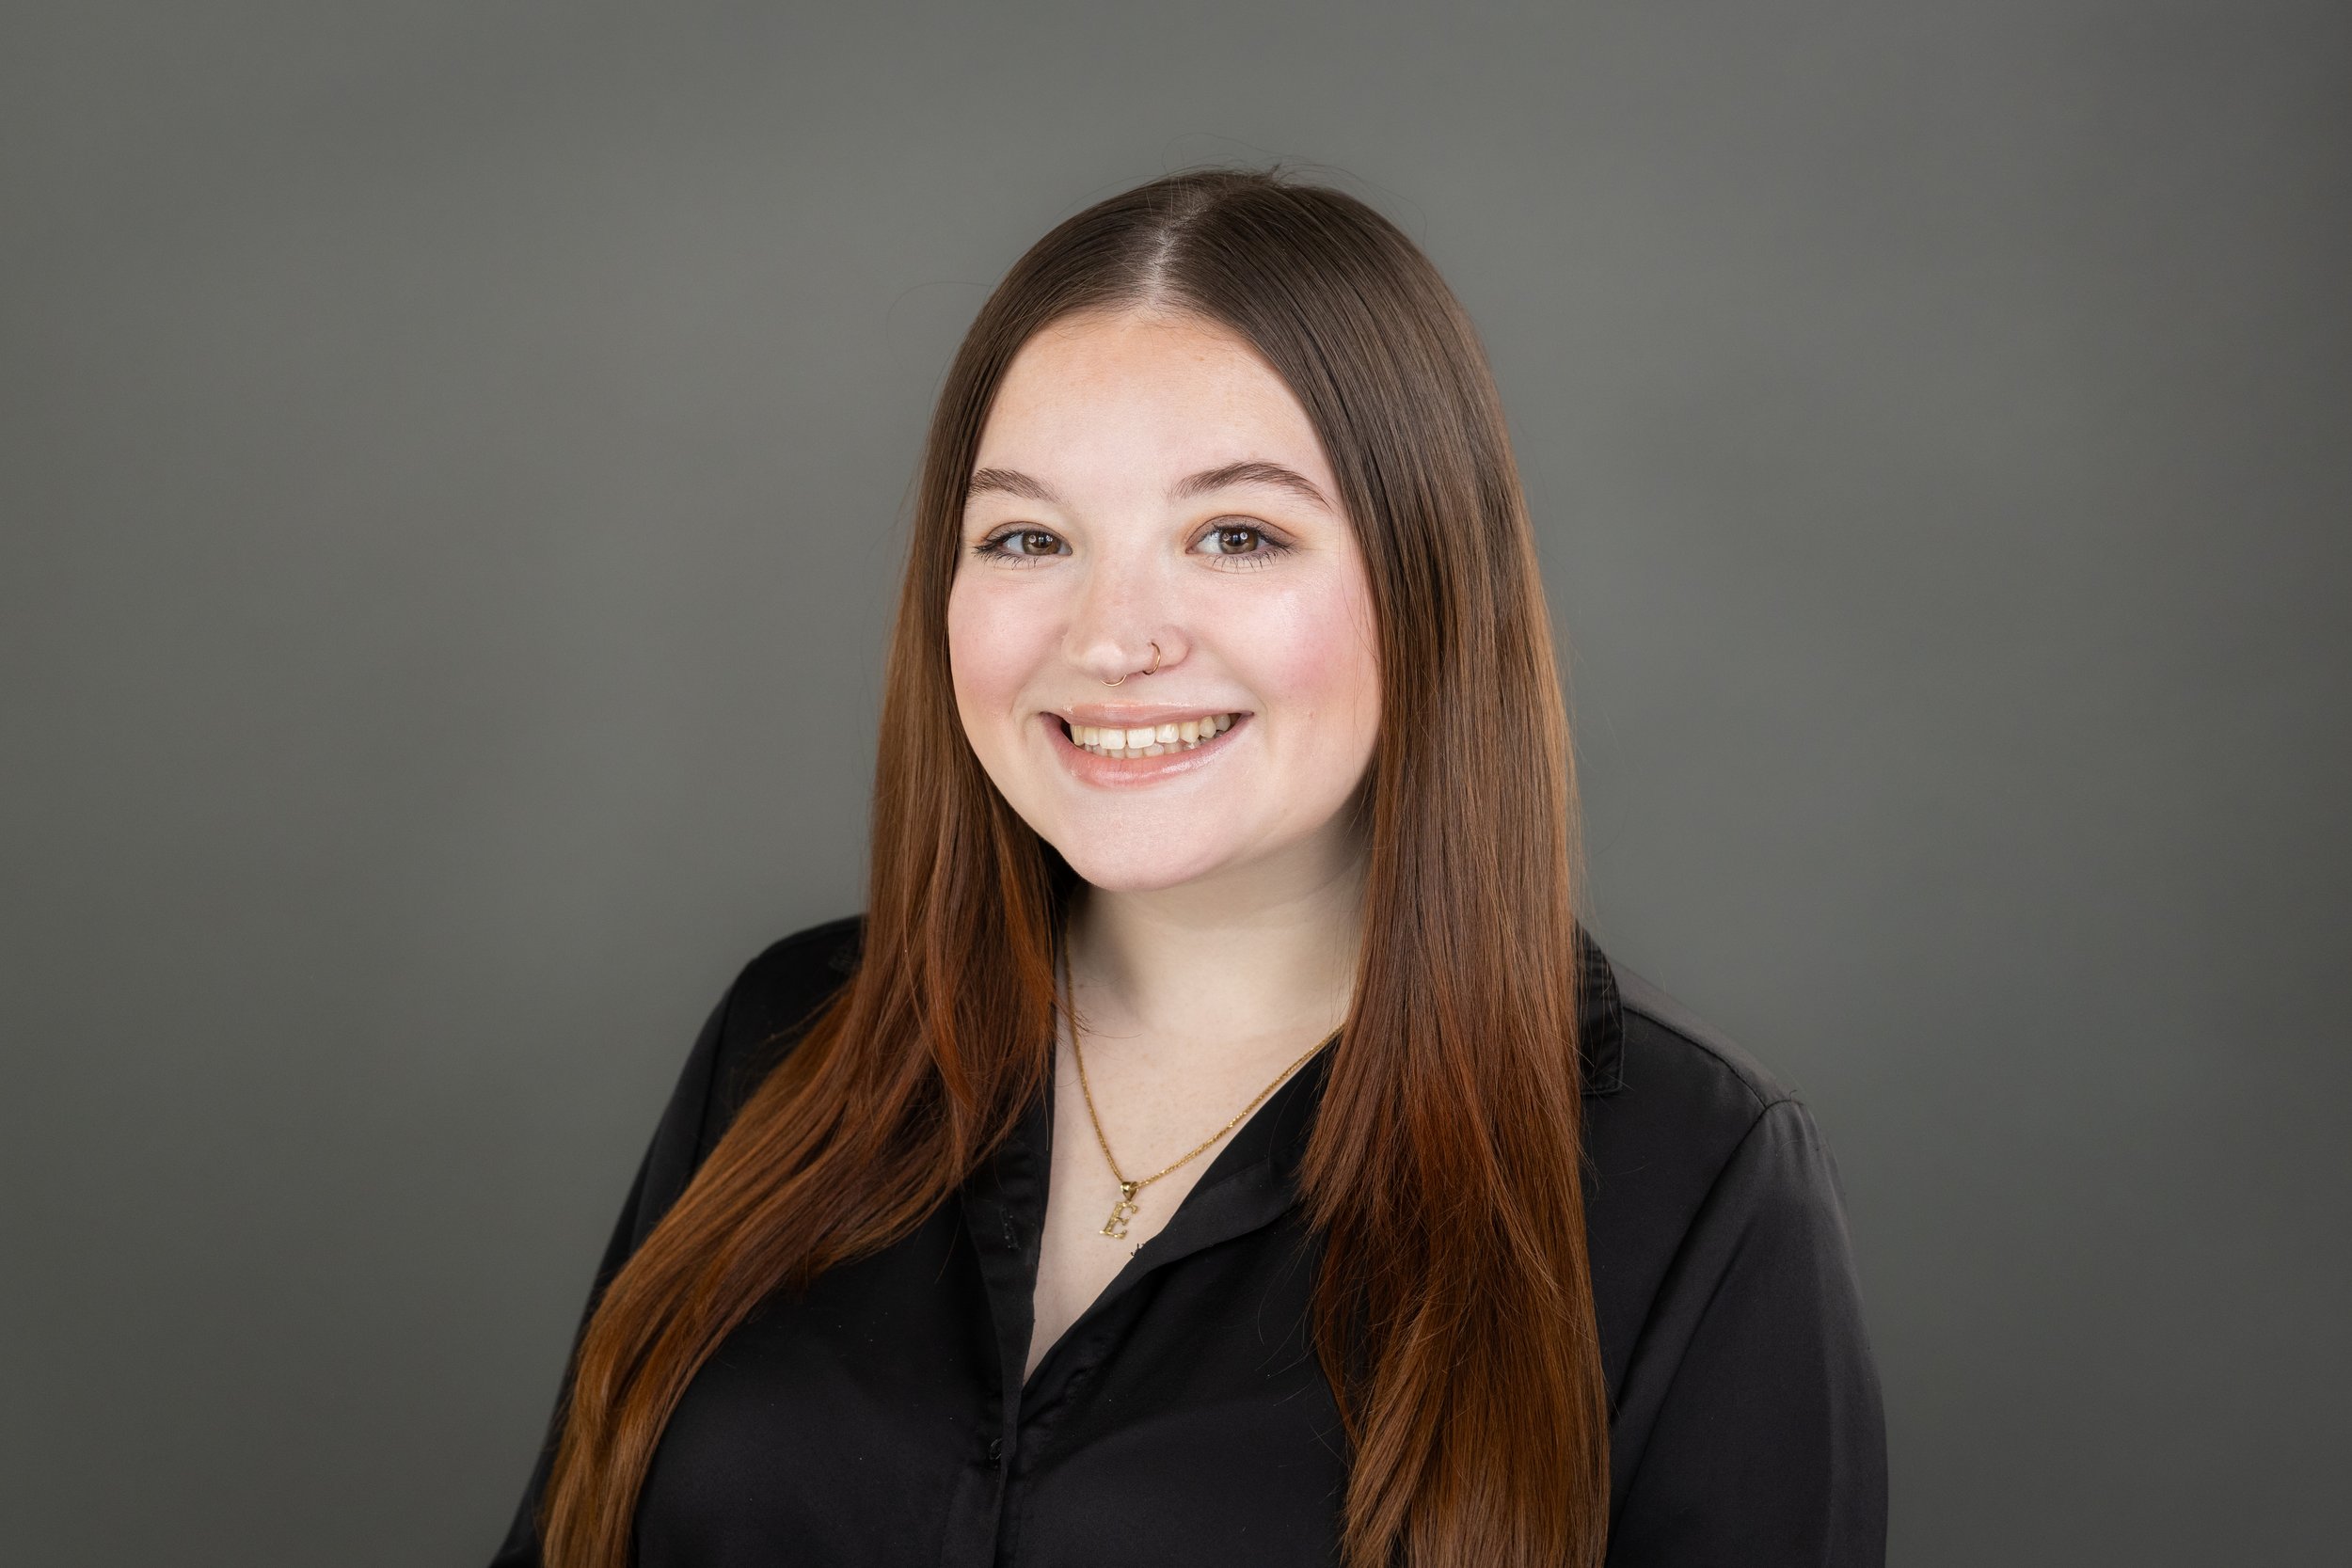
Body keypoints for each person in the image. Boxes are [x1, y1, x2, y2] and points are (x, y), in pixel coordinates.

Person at [488, 166, 1887, 1568]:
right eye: (1030, 537)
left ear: (1429, 586)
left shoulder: (1691, 1178)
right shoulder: (790, 1033)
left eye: (1237, 536)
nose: (1112, 636)